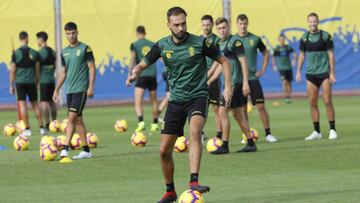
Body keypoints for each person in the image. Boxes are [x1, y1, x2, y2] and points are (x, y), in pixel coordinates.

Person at [126, 7, 233, 203]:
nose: (181, 27)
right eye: (176, 24)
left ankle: (194, 181)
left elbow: (225, 61)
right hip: (175, 101)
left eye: (183, 23)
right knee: (164, 150)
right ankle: (170, 192)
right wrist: (135, 73)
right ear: (168, 25)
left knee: (195, 131)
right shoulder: (162, 45)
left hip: (198, 96)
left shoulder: (201, 43)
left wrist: (228, 86)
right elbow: (142, 64)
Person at [210, 17, 256, 154]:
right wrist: (211, 79)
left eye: (224, 28)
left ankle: (224, 145)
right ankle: (250, 142)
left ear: (228, 27)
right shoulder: (219, 43)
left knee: (222, 111)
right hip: (227, 83)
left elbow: (243, 62)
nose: (221, 30)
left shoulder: (235, 42)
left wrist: (246, 83)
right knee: (238, 114)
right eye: (219, 28)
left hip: (235, 83)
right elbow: (221, 64)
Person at [53, 22, 96, 161]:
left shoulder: (85, 49)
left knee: (71, 117)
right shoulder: (64, 52)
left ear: (77, 32)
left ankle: (64, 149)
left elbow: (92, 68)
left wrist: (90, 87)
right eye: (68, 33)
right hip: (69, 90)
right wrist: (56, 90)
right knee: (78, 119)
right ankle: (86, 150)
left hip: (81, 89)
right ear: (65, 34)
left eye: (73, 33)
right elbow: (63, 72)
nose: (71, 36)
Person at [236, 14, 278, 143]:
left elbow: (266, 53)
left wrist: (263, 69)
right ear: (237, 24)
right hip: (238, 79)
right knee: (242, 109)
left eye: (245, 24)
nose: (243, 26)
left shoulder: (254, 39)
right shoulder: (233, 40)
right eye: (240, 24)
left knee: (260, 106)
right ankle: (247, 135)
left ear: (247, 24)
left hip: (253, 78)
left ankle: (268, 134)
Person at [296, 12, 338, 140]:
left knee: (327, 100)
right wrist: (298, 71)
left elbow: (331, 55)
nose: (313, 23)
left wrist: (332, 73)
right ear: (307, 23)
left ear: (318, 22)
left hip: (324, 73)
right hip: (311, 74)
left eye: (315, 21)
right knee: (312, 102)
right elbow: (302, 55)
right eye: (311, 21)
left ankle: (332, 130)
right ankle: (317, 131)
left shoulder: (326, 36)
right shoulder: (304, 38)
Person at [9, 31, 45, 136]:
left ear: (20, 39)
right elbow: (37, 70)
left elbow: (13, 71)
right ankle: (42, 128)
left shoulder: (15, 54)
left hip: (20, 82)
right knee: (35, 104)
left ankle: (27, 129)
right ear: (27, 39)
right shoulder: (35, 53)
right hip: (31, 82)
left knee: (22, 104)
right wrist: (37, 82)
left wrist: (11, 85)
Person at [128, 26, 159, 132]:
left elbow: (132, 59)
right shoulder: (152, 44)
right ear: (145, 33)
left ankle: (141, 122)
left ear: (137, 33)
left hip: (140, 75)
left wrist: (130, 74)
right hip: (152, 75)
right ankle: (155, 124)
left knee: (138, 101)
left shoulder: (135, 45)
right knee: (154, 101)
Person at [200, 14, 222, 139]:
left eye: (208, 25)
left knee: (216, 108)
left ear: (212, 25)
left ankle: (219, 135)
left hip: (214, 78)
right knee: (200, 108)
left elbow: (218, 59)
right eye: (203, 25)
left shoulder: (217, 40)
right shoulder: (197, 40)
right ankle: (200, 133)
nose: (205, 27)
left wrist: (209, 75)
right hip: (200, 79)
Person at [36, 31, 57, 130]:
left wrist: (37, 80)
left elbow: (37, 68)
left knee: (44, 102)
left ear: (41, 39)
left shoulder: (40, 53)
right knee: (52, 102)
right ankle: (54, 123)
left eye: (37, 39)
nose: (37, 41)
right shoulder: (53, 52)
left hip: (43, 81)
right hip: (51, 80)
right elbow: (55, 65)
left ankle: (47, 124)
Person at [272, 34, 297, 103]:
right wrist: (274, 65)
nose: (282, 41)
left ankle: (289, 96)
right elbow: (273, 57)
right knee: (284, 82)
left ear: (284, 40)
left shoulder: (288, 47)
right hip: (281, 68)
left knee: (289, 83)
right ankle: (286, 97)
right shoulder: (276, 49)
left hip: (288, 68)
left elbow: (295, 54)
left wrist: (294, 60)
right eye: (280, 39)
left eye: (283, 39)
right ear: (278, 40)